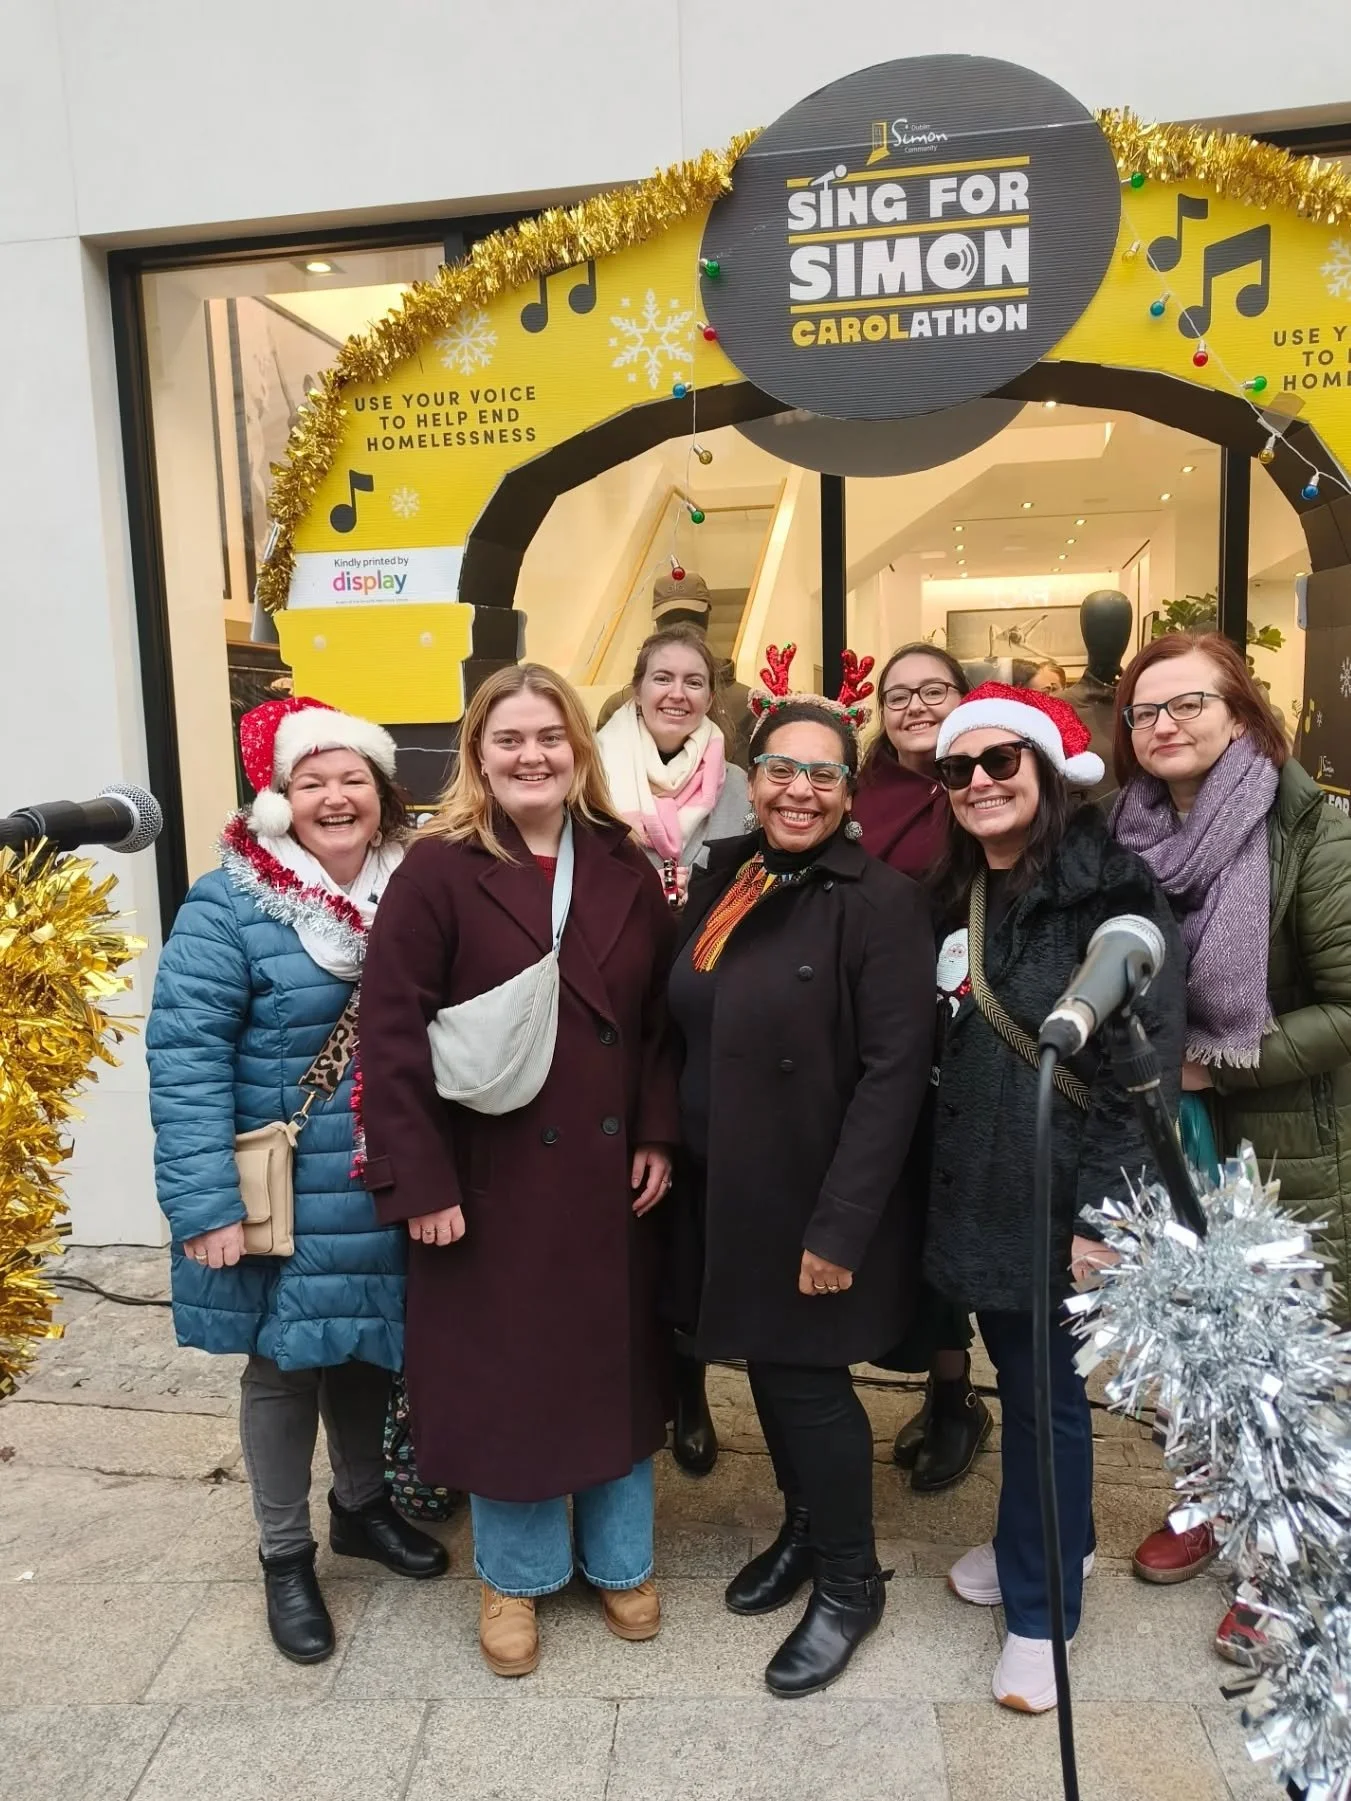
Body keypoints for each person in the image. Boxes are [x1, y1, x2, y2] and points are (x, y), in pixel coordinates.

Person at [356, 663, 679, 1680]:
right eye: (509, 739)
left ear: (579, 749)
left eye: (550, 736)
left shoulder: (624, 862)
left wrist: (657, 1133)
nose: (531, 754)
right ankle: (516, 1575)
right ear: (477, 755)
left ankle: (620, 1560)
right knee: (511, 1383)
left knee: (616, 1371)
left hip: (609, 1180)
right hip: (487, 1183)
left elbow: (662, 1026)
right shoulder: (438, 871)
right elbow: (392, 1039)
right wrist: (424, 1185)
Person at [146, 697, 448, 1666]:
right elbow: (184, 1052)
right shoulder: (230, 900)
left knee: (362, 1342)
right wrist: (203, 1206)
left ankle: (361, 1507)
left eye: (351, 777)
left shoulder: (420, 886)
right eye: (311, 780)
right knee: (283, 1369)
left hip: (380, 1178)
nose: (334, 797)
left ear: (381, 791)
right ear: (278, 798)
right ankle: (285, 1556)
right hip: (279, 1189)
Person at [666, 654, 936, 1696]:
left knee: (807, 1383)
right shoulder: (726, 870)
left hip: (817, 1191)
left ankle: (851, 1581)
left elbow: (892, 1077)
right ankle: (803, 1528)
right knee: (762, 1370)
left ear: (850, 792)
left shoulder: (880, 902)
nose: (797, 791)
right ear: (752, 771)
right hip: (723, 1178)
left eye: (823, 776)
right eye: (780, 768)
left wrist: (841, 1226)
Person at [927, 682, 1184, 1713]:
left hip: (1057, 1189)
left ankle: (1043, 1613)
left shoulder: (1107, 892)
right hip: (976, 1182)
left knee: (1045, 1402)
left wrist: (1096, 1222)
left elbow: (1140, 1064)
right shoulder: (955, 890)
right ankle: (1043, 1539)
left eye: (1001, 763)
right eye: (959, 769)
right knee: (1023, 1382)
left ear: (1044, 770)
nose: (981, 783)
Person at [1111, 631, 1351, 1662]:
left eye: (1187, 704)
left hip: (1280, 1140)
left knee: (1278, 1367)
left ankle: (1284, 1571)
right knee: (1190, 1341)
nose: (1163, 725)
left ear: (1242, 711)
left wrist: (1216, 1062)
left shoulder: (1311, 828)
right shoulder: (1123, 833)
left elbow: (1348, 1005)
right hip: (1169, 1138)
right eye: (1143, 712)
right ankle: (1207, 1502)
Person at [597, 622, 749, 1478]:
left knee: (693, 1208)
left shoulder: (737, 781)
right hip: (619, 1000)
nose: (677, 694)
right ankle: (635, 1379)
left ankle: (689, 1390)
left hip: (709, 1004)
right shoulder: (591, 767)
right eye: (662, 677)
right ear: (636, 684)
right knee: (631, 1204)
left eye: (694, 680)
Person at [851, 643, 992, 1492]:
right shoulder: (861, 789)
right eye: (896, 694)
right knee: (890, 1214)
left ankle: (954, 1395)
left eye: (931, 690)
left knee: (948, 1222)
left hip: (964, 1035)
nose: (912, 705)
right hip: (868, 1030)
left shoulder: (988, 779)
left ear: (964, 699)